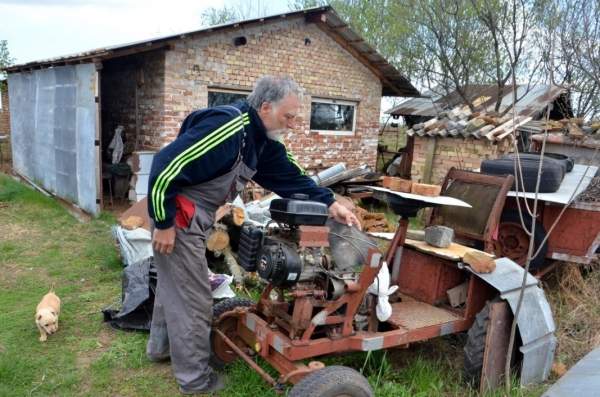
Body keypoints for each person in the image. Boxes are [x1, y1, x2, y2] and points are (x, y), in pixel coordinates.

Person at [146, 75, 360, 394]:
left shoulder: (262, 141)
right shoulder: (229, 127)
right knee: (193, 298)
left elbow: (290, 177)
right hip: (179, 214)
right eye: (288, 117)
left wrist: (330, 203)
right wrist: (163, 222)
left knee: (173, 287)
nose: (291, 124)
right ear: (265, 107)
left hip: (199, 213)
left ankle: (161, 348)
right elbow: (165, 166)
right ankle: (196, 381)